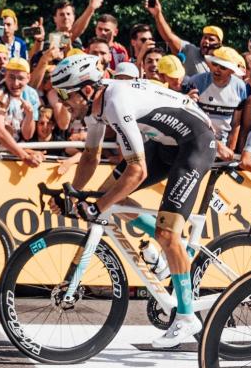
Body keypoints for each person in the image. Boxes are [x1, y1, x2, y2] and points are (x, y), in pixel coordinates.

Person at [51, 54, 217, 348]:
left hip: (195, 144)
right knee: (111, 195)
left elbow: (137, 171)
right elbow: (91, 157)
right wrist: (73, 194)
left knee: (166, 232)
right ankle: (169, 257)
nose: (63, 102)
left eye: (66, 94)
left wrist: (96, 207)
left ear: (87, 90)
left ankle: (186, 316)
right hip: (165, 144)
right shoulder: (97, 107)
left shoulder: (115, 101)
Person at [187, 46, 249, 160]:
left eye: (223, 67)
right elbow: (190, 120)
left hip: (223, 146)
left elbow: (236, 123)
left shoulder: (240, 87)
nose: (217, 69)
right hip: (197, 142)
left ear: (232, 70)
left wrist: (231, 148)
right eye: (215, 64)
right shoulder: (196, 82)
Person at [0, 57, 44, 166]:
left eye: (20, 78)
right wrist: (25, 156)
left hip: (16, 149)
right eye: (11, 77)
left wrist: (29, 115)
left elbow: (27, 135)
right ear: (5, 76)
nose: (15, 83)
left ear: (28, 78)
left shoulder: (31, 94)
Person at [146, 0, 222, 76]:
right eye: (205, 37)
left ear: (219, 44)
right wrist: (158, 14)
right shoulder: (190, 51)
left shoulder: (223, 64)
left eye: (211, 39)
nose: (206, 41)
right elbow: (169, 37)